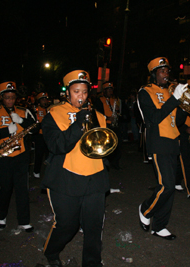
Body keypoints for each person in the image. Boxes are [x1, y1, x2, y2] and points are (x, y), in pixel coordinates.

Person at [42, 70, 110, 267]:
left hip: (94, 177)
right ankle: (51, 252)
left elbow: (105, 146)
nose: (81, 96)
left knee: (94, 226)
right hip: (66, 178)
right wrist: (78, 122)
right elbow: (57, 146)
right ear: (67, 93)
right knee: (67, 225)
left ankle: (92, 262)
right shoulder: (53, 114)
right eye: (76, 91)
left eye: (84, 92)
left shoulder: (97, 115)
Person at [137, 57, 187, 240]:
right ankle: (146, 209)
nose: (166, 74)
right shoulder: (145, 92)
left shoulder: (169, 92)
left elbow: (177, 120)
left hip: (173, 141)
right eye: (162, 71)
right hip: (158, 141)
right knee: (165, 185)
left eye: (167, 71)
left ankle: (160, 226)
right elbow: (154, 118)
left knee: (170, 187)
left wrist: (189, 107)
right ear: (153, 74)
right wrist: (175, 99)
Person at [0, 81, 36, 231]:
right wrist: (6, 131)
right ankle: (1, 217)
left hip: (21, 156)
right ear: (1, 98)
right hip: (2, 157)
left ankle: (24, 220)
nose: (10, 100)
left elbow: (35, 128)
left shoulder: (23, 110)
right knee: (5, 188)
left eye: (13, 97)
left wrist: (22, 121)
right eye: (7, 97)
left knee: (22, 189)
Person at [94, 81, 122, 169]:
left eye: (111, 90)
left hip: (115, 125)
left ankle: (115, 162)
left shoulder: (115, 100)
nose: (110, 91)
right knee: (107, 145)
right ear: (104, 91)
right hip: (106, 125)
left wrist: (118, 111)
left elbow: (120, 111)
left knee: (118, 144)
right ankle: (106, 163)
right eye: (108, 90)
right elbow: (97, 113)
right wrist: (107, 118)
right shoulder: (99, 100)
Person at [32, 92, 50, 178]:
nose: (45, 101)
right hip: (40, 135)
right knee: (39, 154)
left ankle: (49, 171)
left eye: (46, 99)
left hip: (49, 134)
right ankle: (36, 170)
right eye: (43, 99)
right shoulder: (36, 110)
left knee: (49, 153)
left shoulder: (50, 109)